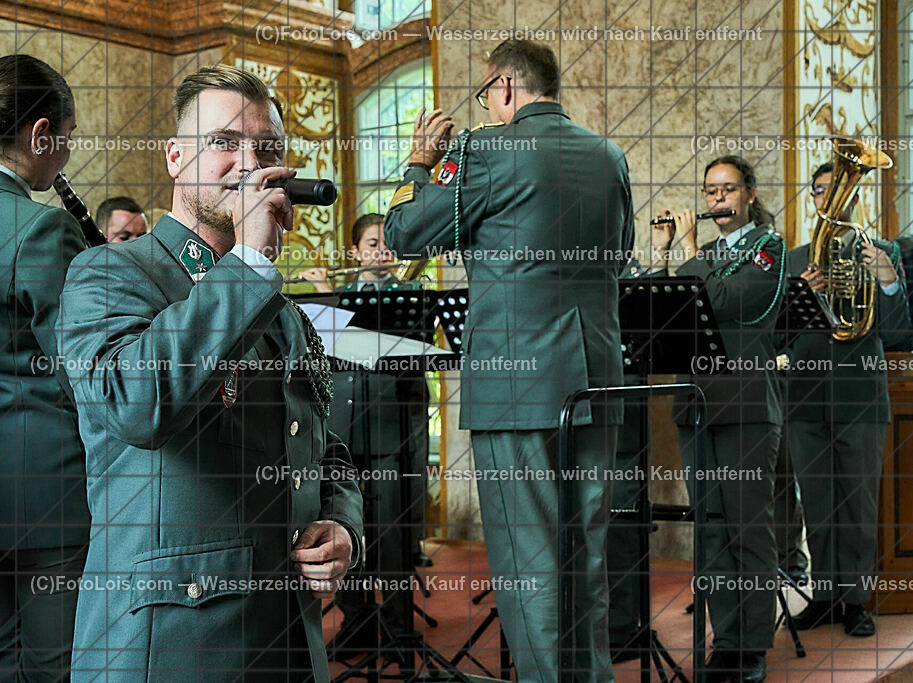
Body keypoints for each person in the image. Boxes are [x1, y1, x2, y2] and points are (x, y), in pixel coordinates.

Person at [57, 64, 362, 681]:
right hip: (171, 644)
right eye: (224, 143)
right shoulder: (110, 275)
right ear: (175, 158)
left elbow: (321, 445)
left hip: (287, 641)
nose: (250, 164)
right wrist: (249, 262)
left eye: (267, 149)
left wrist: (343, 524)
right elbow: (135, 406)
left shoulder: (282, 308)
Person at [383, 38, 633, 682]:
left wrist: (420, 161)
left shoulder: (484, 150)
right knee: (587, 555)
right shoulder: (609, 156)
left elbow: (406, 234)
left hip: (516, 384)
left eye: (487, 96)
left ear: (503, 88)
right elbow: (623, 250)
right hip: (598, 377)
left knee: (533, 561)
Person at [653, 156, 786, 683]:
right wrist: (665, 255)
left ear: (750, 194)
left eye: (728, 190)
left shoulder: (769, 251)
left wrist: (687, 253)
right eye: (710, 192)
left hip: (749, 407)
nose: (717, 201)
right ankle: (725, 640)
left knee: (748, 530)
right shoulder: (702, 255)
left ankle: (752, 645)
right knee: (711, 532)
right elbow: (664, 312)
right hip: (696, 406)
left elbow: (729, 302)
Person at [785, 161, 910, 637]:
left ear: (854, 199)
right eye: (818, 191)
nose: (826, 198)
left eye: (834, 191)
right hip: (805, 395)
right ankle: (823, 595)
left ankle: (856, 600)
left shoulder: (883, 252)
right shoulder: (794, 259)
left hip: (859, 394)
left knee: (857, 504)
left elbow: (898, 330)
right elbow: (776, 333)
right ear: (812, 198)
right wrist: (798, 295)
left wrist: (886, 278)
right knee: (816, 503)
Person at [298, 213, 431, 649]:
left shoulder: (411, 296)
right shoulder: (335, 299)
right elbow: (322, 352)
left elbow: (389, 353)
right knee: (348, 526)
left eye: (388, 244)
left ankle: (398, 623)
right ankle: (357, 620)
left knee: (392, 534)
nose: (382, 251)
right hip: (345, 434)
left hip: (391, 431)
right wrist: (325, 297)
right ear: (354, 253)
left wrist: (327, 295)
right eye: (372, 244)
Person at [0, 53, 90, 682]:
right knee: (54, 666)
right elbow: (80, 370)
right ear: (40, 135)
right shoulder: (41, 229)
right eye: (68, 136)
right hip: (44, 491)